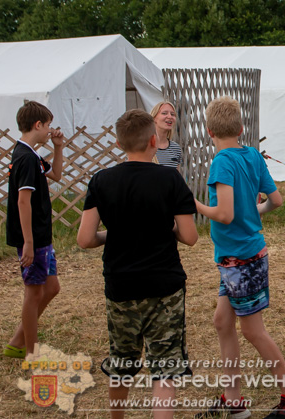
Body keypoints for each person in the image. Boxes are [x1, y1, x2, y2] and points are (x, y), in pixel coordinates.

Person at [194, 97, 285, 419]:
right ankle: (233, 401)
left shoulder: (222, 162)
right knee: (222, 323)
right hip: (238, 258)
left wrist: (196, 205)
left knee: (253, 331)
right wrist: (253, 210)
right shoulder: (252, 156)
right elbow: (275, 201)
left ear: (209, 132)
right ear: (242, 128)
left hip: (240, 260)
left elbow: (224, 214)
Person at [77, 109, 199, 418]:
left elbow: (85, 239)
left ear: (119, 143)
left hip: (121, 284)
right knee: (164, 367)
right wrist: (164, 227)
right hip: (164, 285)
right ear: (154, 140)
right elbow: (189, 236)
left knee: (122, 361)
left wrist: (114, 234)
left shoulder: (101, 180)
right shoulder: (170, 178)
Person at [4, 101, 64, 359]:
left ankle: (18, 339)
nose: (50, 130)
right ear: (38, 125)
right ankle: (30, 352)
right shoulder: (26, 158)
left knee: (51, 288)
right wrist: (28, 242)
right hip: (33, 238)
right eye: (48, 125)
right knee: (34, 291)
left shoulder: (32, 154)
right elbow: (22, 201)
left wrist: (59, 148)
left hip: (41, 235)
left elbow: (57, 175)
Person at [150, 101, 183, 169]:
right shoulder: (144, 146)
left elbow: (176, 177)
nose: (169, 116)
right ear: (154, 118)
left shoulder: (176, 149)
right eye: (164, 113)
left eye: (172, 114)